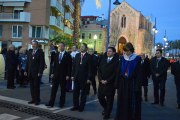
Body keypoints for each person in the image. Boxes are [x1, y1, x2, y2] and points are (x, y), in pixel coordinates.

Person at [114, 42, 142, 120]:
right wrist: (116, 83)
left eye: (128, 51)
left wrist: (137, 87)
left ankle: (130, 117)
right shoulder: (122, 58)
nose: (127, 52)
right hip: (122, 83)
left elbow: (139, 73)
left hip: (132, 83)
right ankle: (121, 116)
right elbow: (118, 71)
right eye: (126, 51)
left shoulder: (137, 59)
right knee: (122, 101)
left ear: (132, 50)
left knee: (130, 101)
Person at [46, 42, 72, 108]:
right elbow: (55, 66)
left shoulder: (68, 55)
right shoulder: (56, 54)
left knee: (63, 91)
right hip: (56, 75)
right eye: (59, 46)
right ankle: (51, 102)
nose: (60, 47)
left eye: (62, 46)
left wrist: (68, 75)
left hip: (63, 76)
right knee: (53, 90)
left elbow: (69, 66)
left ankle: (61, 103)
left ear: (64, 46)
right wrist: (52, 73)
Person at [70, 43, 93, 112]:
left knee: (83, 94)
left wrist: (89, 78)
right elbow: (74, 67)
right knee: (75, 93)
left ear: (86, 48)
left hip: (84, 78)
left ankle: (81, 107)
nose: (81, 48)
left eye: (83, 47)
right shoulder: (77, 55)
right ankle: (75, 106)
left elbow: (90, 68)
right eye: (81, 46)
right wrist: (72, 75)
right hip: (76, 77)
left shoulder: (89, 56)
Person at [98, 47, 119, 119]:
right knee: (100, 97)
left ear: (113, 53)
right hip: (102, 83)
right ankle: (106, 108)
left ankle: (107, 113)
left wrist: (108, 80)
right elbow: (99, 71)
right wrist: (101, 80)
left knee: (110, 99)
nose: (108, 52)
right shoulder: (103, 60)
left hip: (110, 83)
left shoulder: (116, 62)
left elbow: (115, 73)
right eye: (107, 51)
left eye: (110, 51)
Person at [24, 41, 45, 105]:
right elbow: (27, 62)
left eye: (35, 44)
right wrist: (25, 70)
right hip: (30, 72)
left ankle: (37, 100)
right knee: (31, 87)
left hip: (37, 73)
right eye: (32, 44)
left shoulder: (40, 52)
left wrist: (40, 72)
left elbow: (42, 63)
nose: (33, 45)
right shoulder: (30, 52)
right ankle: (33, 99)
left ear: (37, 45)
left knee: (36, 87)